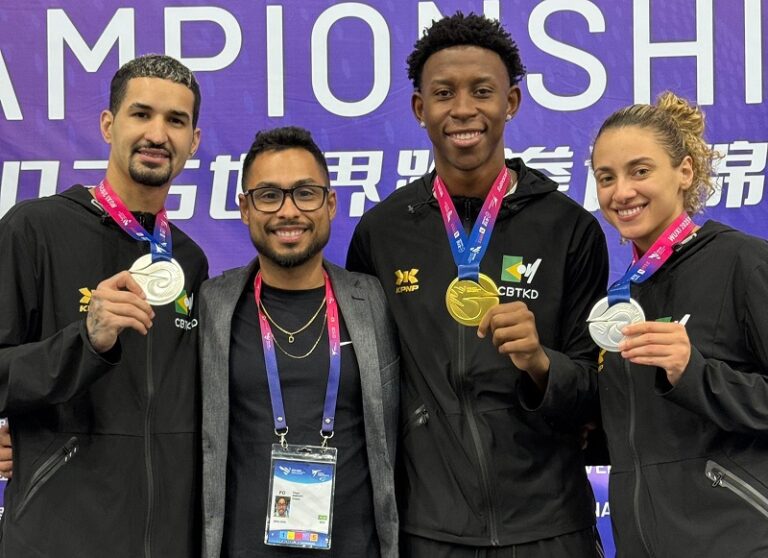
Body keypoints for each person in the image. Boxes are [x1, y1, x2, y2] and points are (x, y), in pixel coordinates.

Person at [347, 12, 608, 558]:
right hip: (428, 529)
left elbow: (594, 392)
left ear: (510, 102)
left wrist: (541, 364)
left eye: (482, 91)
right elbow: (366, 379)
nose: (463, 109)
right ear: (421, 109)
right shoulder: (383, 232)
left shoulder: (569, 228)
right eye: (444, 93)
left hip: (550, 525)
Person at [0, 54, 206, 557]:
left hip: (168, 539)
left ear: (193, 142)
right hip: (61, 535)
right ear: (109, 125)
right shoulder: (34, 229)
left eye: (176, 121)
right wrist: (85, 340)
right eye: (142, 114)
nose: (158, 133)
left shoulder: (189, 260)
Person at [200, 126, 399, 558]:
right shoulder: (212, 305)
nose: (288, 211)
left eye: (305, 194)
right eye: (268, 195)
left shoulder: (375, 302)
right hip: (242, 546)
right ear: (245, 209)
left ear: (330, 204)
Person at [587, 92, 768, 557]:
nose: (621, 192)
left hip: (736, 541)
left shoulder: (743, 262)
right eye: (606, 178)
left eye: (640, 171)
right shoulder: (622, 296)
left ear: (685, 171)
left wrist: (695, 372)